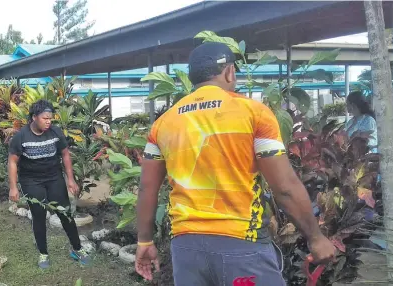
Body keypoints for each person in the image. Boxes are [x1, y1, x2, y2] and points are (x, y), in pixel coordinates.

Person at [134, 42, 336, 285]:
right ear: (229, 71)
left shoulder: (163, 123)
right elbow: (284, 187)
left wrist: (144, 241)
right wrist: (316, 238)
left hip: (186, 248)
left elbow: (147, 188)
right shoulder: (253, 112)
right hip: (242, 243)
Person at [7, 99, 91, 269]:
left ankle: (77, 249)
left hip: (54, 177)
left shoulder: (55, 132)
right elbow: (13, 162)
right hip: (31, 180)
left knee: (65, 213)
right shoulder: (21, 137)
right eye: (45, 118)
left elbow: (65, 155)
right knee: (38, 215)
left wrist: (70, 180)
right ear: (34, 117)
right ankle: (43, 253)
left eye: (50, 119)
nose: (48, 122)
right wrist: (13, 187)